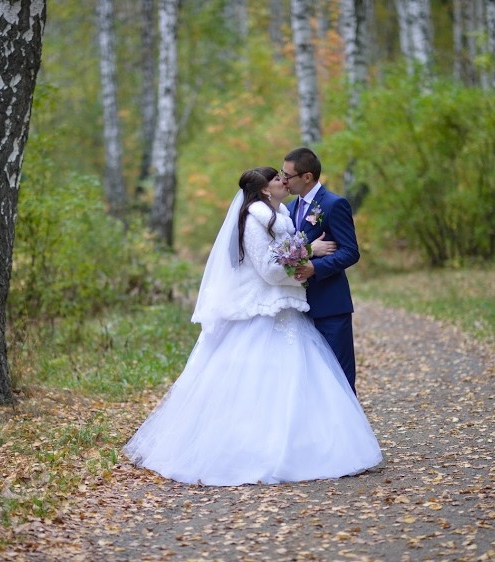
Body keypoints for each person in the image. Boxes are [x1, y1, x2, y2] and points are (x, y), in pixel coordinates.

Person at [122, 167, 381, 486]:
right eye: (278, 179)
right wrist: (309, 254)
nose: (284, 181)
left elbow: (282, 256)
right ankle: (249, 449)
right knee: (255, 381)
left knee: (298, 380)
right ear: (265, 190)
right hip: (264, 310)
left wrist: (303, 257)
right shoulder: (254, 220)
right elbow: (269, 270)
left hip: (286, 309)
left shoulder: (281, 215)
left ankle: (305, 446)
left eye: (285, 176)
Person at [282, 147, 361, 395]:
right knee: (310, 379)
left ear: (307, 176)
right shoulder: (289, 208)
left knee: (339, 376)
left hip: (330, 306)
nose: (283, 181)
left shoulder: (334, 204)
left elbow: (350, 251)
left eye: (288, 176)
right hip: (298, 308)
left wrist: (315, 267)